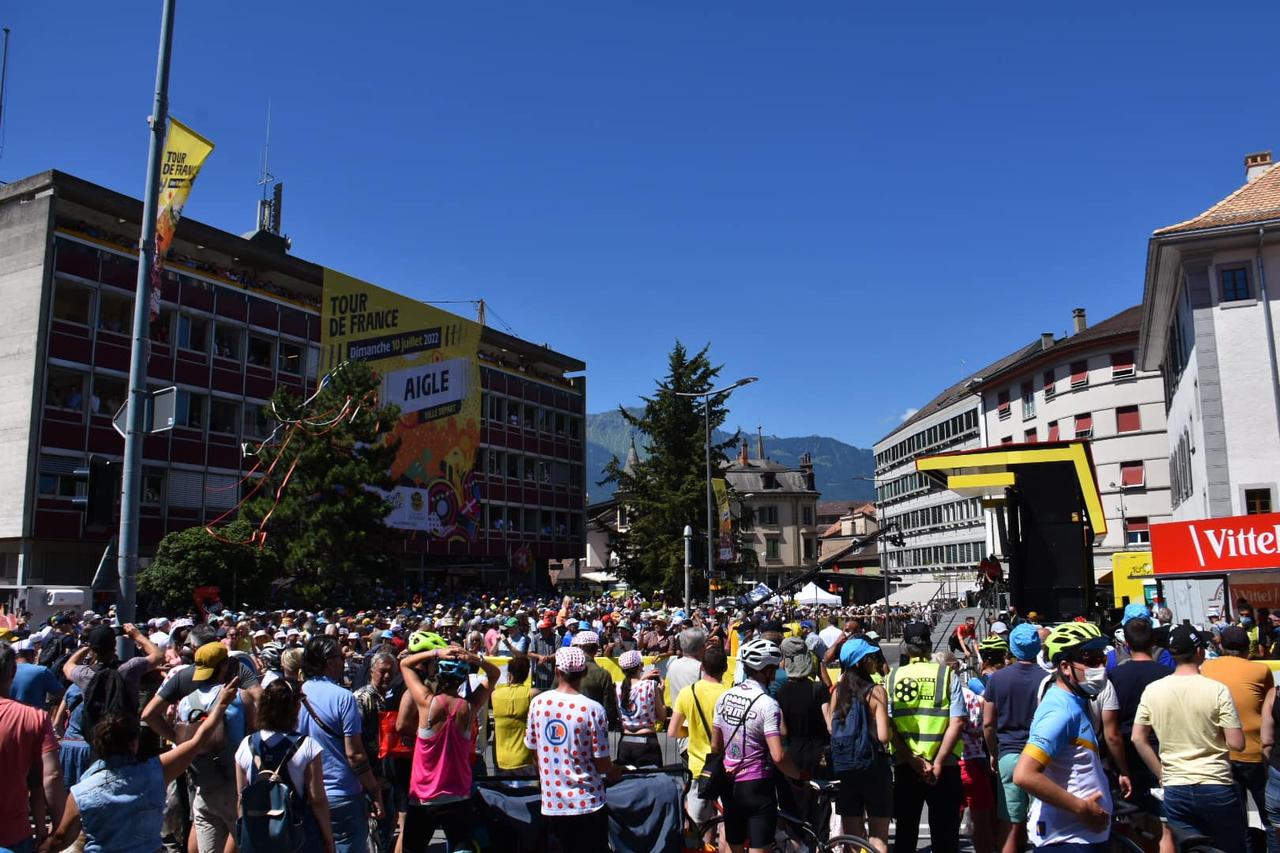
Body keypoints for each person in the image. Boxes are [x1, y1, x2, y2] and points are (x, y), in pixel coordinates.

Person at [40, 678, 239, 853]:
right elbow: (197, 740)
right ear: (133, 744)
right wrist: (221, 704)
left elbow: (61, 838)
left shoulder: (80, 793)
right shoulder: (156, 772)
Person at [1132, 624, 1246, 853]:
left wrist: (1161, 774)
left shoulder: (1153, 690)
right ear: (1200, 652)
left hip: (1176, 786)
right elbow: (1237, 743)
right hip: (1216, 783)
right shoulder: (1217, 690)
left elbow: (1137, 738)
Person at [1013, 622, 1113, 852]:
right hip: (1068, 838)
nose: (1099, 666)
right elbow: (1024, 774)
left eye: (1102, 658)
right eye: (1090, 660)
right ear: (1066, 667)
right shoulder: (1059, 710)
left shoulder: (1074, 702)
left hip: (1080, 836)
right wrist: (1082, 809)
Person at [141, 642, 248, 853]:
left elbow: (149, 715)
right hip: (233, 787)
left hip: (202, 787)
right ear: (224, 665)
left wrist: (180, 742)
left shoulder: (186, 703)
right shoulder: (237, 698)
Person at [398, 641, 498, 852]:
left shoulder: (426, 703)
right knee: (462, 847)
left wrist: (436, 652)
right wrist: (474, 658)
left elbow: (405, 664)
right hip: (457, 795)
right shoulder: (469, 707)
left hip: (423, 796)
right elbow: (495, 675)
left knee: (412, 848)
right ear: (463, 678)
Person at [711, 638, 808, 853]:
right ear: (768, 670)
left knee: (735, 847)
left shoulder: (724, 696)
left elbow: (715, 745)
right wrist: (799, 776)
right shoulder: (768, 704)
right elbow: (778, 756)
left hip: (729, 782)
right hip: (757, 784)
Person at [525, 646, 622, 850]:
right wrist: (615, 771)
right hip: (587, 800)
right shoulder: (593, 709)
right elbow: (602, 763)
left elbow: (534, 750)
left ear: (557, 671)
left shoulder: (538, 703)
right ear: (584, 671)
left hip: (553, 800)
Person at [296, 636, 384, 853]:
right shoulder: (344, 698)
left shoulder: (296, 695)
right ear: (328, 661)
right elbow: (354, 754)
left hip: (306, 792)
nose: (344, 660)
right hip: (341, 794)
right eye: (339, 656)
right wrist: (374, 790)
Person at [887, 621, 966, 853]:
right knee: (945, 836)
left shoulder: (893, 677)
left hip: (906, 764)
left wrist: (913, 760)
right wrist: (938, 762)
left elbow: (888, 725)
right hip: (945, 765)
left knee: (906, 833)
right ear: (930, 645)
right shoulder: (946, 675)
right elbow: (958, 721)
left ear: (906, 647)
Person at [234, 680, 336, 853]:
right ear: (294, 708)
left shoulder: (246, 744)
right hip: (297, 836)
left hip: (258, 837)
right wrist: (328, 839)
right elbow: (317, 799)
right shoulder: (307, 746)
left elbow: (241, 797)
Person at [1099, 615, 1170, 837]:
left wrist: (1121, 768)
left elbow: (1110, 726)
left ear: (1126, 644)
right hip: (1161, 751)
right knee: (1164, 822)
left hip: (1126, 753)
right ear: (1152, 643)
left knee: (1133, 820)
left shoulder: (1114, 677)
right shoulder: (1167, 675)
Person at [1202, 624, 1274, 823]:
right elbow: (1268, 710)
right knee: (1269, 816)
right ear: (1246, 648)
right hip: (1254, 750)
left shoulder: (1208, 667)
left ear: (1222, 647)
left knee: (1236, 818)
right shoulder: (1260, 670)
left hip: (1223, 750)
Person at [983, 623, 1044, 853]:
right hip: (1040, 756)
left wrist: (993, 752)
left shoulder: (998, 679)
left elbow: (988, 723)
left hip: (1008, 753)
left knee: (1010, 823)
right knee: (1043, 822)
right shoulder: (1048, 679)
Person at [825, 639, 891, 853]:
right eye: (870, 658)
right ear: (860, 663)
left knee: (852, 839)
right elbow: (882, 737)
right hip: (874, 767)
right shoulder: (876, 692)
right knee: (878, 837)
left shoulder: (837, 692)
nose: (874, 661)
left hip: (846, 768)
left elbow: (832, 729)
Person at [1, 641, 65, 853]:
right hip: (13, 836)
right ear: (12, 671)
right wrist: (57, 832)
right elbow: (51, 775)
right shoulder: (34, 718)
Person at [668, 645, 730, 838]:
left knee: (698, 824)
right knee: (727, 823)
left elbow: (673, 731)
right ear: (725, 668)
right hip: (725, 766)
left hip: (698, 767)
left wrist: (692, 730)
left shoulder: (688, 692)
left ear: (702, 667)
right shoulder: (729, 694)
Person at [352, 651, 406, 851]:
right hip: (370, 775)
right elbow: (355, 740)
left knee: (388, 825)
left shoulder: (395, 696)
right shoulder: (362, 698)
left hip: (389, 774)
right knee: (373, 831)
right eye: (382, 672)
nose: (386, 676)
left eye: (391, 672)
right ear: (372, 672)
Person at [775, 637, 829, 826]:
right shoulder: (819, 689)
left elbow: (782, 730)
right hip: (819, 753)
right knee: (820, 806)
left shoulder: (781, 692)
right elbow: (829, 724)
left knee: (794, 806)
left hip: (794, 752)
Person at [615, 650, 665, 767]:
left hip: (625, 741)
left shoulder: (617, 687)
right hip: (647, 741)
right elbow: (662, 717)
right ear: (640, 666)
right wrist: (661, 694)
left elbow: (632, 689)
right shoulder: (650, 685)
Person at [491, 655, 537, 776]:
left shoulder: (495, 694)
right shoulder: (532, 694)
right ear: (527, 673)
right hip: (525, 756)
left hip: (501, 757)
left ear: (509, 673)